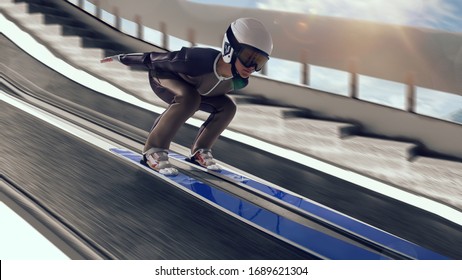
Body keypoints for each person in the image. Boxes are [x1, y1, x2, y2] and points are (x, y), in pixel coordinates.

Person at [101, 18, 273, 175]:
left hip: (197, 90)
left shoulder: (239, 81)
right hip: (163, 76)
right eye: (248, 57)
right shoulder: (196, 59)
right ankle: (153, 151)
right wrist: (121, 58)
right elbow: (153, 59)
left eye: (259, 61)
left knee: (228, 107)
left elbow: (209, 91)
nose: (252, 66)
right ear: (230, 49)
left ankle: (200, 151)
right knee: (190, 98)